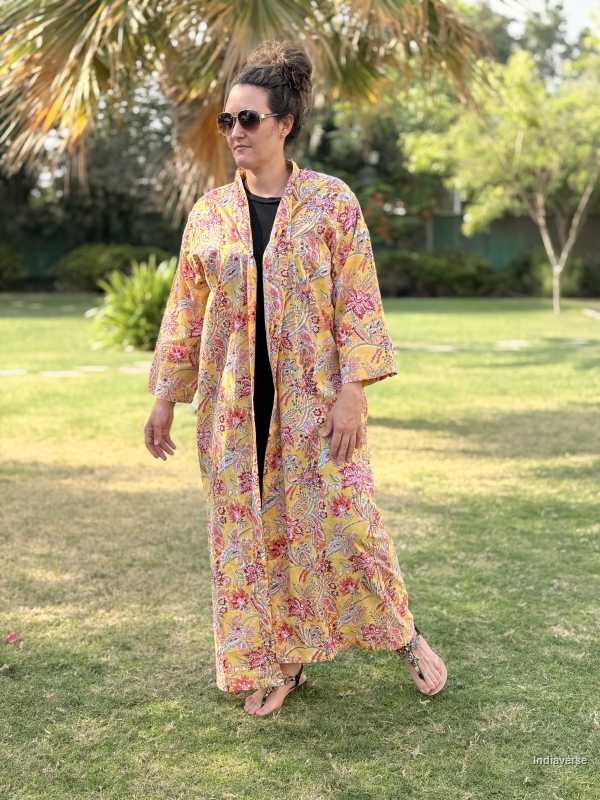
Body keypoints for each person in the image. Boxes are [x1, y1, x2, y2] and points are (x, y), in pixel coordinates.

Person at [144, 40, 447, 717]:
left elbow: (359, 303)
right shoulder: (210, 214)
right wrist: (166, 396)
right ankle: (282, 663)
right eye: (227, 121)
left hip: (313, 409)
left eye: (248, 120)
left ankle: (405, 637)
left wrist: (353, 396)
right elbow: (185, 310)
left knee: (351, 525)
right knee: (249, 540)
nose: (235, 133)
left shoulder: (330, 204)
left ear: (284, 124)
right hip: (231, 413)